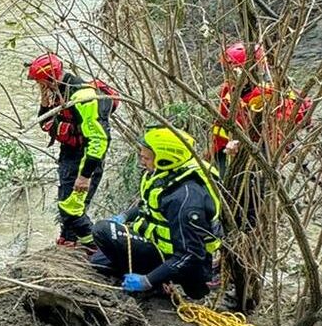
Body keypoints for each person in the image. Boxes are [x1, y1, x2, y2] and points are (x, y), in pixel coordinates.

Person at [90, 125, 221, 300]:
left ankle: (157, 282)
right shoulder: (168, 175)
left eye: (146, 158)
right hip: (159, 246)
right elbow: (150, 207)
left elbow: (191, 254)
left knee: (102, 230)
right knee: (98, 262)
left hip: (181, 264)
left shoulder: (186, 199)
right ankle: (144, 269)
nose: (142, 161)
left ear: (166, 159)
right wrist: (125, 216)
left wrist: (147, 280)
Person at [26, 52, 116, 248]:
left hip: (85, 158)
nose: (38, 85)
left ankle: (97, 246)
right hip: (69, 154)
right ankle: (69, 242)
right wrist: (44, 97)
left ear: (50, 78)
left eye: (40, 82)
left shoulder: (82, 98)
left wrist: (85, 175)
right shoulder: (59, 91)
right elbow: (45, 122)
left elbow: (99, 139)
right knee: (65, 203)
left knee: (72, 210)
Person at [210, 42, 270, 178]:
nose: (228, 75)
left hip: (254, 152)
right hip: (223, 148)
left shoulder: (266, 94)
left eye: (233, 70)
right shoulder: (228, 89)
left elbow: (270, 133)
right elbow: (220, 121)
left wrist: (240, 143)